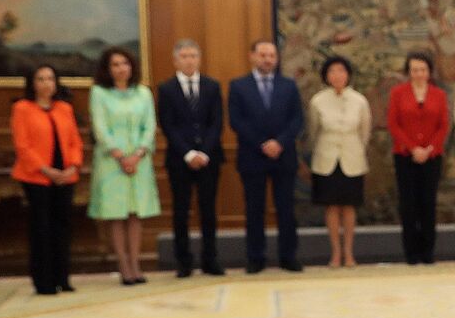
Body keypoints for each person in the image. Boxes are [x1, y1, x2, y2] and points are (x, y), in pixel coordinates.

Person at [229, 40, 304, 273]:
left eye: (271, 55)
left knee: (286, 209)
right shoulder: (238, 86)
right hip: (253, 156)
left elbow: (297, 120)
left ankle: (288, 256)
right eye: (263, 55)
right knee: (254, 210)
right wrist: (262, 144)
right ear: (252, 56)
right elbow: (236, 121)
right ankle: (255, 257)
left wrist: (279, 142)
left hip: (284, 156)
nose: (267, 59)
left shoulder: (288, 86)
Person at [87, 46, 159, 285]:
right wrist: (120, 156)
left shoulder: (143, 93)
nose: (121, 69)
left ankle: (136, 264)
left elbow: (149, 126)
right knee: (116, 214)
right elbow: (100, 128)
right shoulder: (99, 93)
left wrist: (138, 154)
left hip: (140, 160)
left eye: (125, 63)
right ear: (108, 69)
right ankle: (123, 265)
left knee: (136, 213)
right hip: (111, 161)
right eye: (115, 64)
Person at [10, 64, 83, 295]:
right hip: (36, 177)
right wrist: (45, 170)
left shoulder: (64, 108)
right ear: (32, 83)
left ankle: (63, 277)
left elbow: (75, 141)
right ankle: (44, 280)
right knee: (41, 227)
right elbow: (22, 145)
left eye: (50, 79)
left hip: (66, 176)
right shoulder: (22, 108)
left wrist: (72, 166)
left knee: (63, 226)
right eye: (40, 79)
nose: (46, 83)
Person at [156, 39, 224, 278]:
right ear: (175, 61)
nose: (189, 60)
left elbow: (216, 123)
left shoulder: (212, 86)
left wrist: (204, 152)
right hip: (179, 159)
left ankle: (210, 259)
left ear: (199, 59)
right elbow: (168, 124)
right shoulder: (166, 89)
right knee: (181, 211)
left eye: (193, 56)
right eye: (184, 56)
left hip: (209, 158)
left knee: (208, 211)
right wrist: (188, 153)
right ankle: (183, 261)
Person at [307, 55, 373, 269]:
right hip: (326, 158)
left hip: (352, 158)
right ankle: (335, 253)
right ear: (326, 76)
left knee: (349, 206)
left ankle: (349, 253)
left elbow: (365, 132)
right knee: (332, 206)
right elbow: (313, 132)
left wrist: (356, 149)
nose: (337, 75)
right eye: (332, 71)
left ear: (348, 75)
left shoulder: (359, 100)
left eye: (341, 71)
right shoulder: (317, 101)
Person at [387, 50, 450, 264]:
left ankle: (428, 251)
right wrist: (413, 148)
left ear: (429, 72)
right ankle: (411, 252)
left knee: (428, 203)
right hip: (405, 156)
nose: (419, 74)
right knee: (408, 204)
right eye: (414, 70)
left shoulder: (439, 95)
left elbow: (443, 126)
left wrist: (429, 149)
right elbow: (393, 124)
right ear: (408, 71)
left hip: (432, 157)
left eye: (423, 70)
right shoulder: (398, 93)